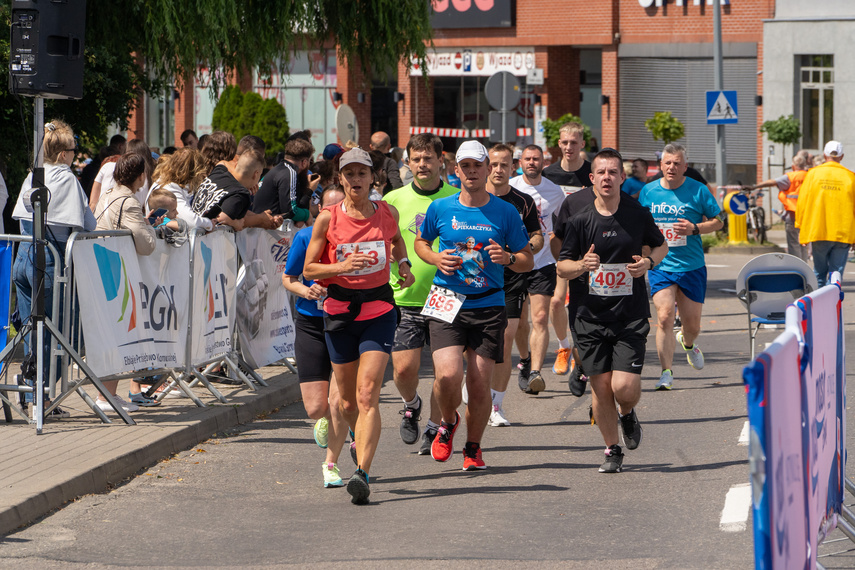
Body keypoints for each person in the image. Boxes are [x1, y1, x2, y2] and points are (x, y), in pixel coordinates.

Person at [303, 147, 414, 504]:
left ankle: (362, 473)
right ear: (340, 178)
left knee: (368, 395)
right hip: (338, 312)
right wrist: (341, 268)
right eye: (349, 174)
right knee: (348, 403)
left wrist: (404, 264)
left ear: (373, 179)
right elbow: (308, 270)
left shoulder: (387, 213)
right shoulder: (327, 218)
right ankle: (357, 435)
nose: (356, 180)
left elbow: (396, 242)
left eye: (362, 174)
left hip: (379, 308)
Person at [415, 140, 533, 471]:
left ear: (487, 169)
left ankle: (473, 446)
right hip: (446, 299)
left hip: (488, 303)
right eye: (465, 166)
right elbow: (421, 242)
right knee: (449, 375)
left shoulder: (505, 211)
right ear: (456, 170)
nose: (471, 171)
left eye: (477, 166)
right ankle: (448, 421)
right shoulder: (441, 208)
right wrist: (436, 258)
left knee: (479, 385)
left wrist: (508, 258)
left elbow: (527, 259)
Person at [557, 148, 668, 473]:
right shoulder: (579, 221)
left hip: (629, 316)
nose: (607, 177)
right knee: (601, 387)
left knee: (624, 388)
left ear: (622, 177)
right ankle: (612, 449)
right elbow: (562, 267)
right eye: (601, 172)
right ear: (592, 179)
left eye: (612, 172)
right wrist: (581, 265)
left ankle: (627, 413)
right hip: (588, 318)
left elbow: (659, 244)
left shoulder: (636, 213)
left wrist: (648, 262)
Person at [12, 120, 96, 419]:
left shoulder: (31, 177)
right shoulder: (66, 179)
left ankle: (30, 386)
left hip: (23, 259)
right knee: (56, 332)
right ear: (63, 154)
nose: (75, 156)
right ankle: (40, 396)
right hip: (49, 263)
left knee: (29, 329)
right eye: (74, 150)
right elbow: (88, 224)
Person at [382, 133, 459, 453]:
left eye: (429, 158)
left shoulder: (458, 197)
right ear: (407, 163)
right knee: (402, 369)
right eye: (416, 159)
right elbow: (382, 244)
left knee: (446, 375)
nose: (423, 164)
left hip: (448, 297)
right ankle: (411, 404)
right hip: (406, 298)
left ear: (442, 161)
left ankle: (433, 427)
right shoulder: (392, 201)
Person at [639, 144, 723, 390]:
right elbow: (640, 223)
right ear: (661, 165)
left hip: (691, 266)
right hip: (660, 264)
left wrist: (695, 228)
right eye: (667, 163)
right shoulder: (648, 191)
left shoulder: (698, 191)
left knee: (692, 325)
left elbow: (719, 221)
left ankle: (688, 343)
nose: (671, 167)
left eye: (677, 163)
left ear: (685, 166)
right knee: (664, 316)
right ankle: (666, 372)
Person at [283, 185, 351, 488]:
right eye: (328, 208)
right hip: (311, 321)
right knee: (315, 408)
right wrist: (305, 290)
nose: (333, 214)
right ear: (319, 210)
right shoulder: (304, 236)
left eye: (340, 207)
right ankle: (338, 424)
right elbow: (289, 278)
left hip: (346, 322)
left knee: (339, 402)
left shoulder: (356, 237)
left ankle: (331, 464)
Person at [93, 152, 160, 412]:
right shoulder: (129, 202)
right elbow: (146, 245)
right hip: (116, 273)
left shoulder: (108, 194)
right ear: (140, 176)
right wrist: (150, 228)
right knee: (117, 335)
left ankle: (107, 395)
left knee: (112, 335)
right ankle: (105, 397)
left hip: (103, 268)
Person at [485, 144, 542, 426]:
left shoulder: (522, 201)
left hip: (511, 279)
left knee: (504, 342)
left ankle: (496, 405)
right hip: (474, 279)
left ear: (513, 167)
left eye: (504, 165)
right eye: (493, 164)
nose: (498, 170)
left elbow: (537, 235)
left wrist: (524, 249)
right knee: (471, 344)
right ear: (486, 166)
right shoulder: (469, 198)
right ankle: (472, 385)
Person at [510, 145, 571, 394]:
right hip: (515, 262)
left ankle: (535, 371)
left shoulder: (555, 192)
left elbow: (564, 222)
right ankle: (525, 359)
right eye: (527, 159)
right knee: (519, 322)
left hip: (543, 263)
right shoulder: (511, 188)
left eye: (536, 159)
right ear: (520, 162)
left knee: (540, 318)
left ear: (544, 163)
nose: (532, 163)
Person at [796, 140, 855, 287]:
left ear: (824, 155)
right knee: (836, 275)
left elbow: (802, 202)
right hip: (843, 232)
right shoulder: (851, 177)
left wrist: (800, 227)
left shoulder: (812, 174)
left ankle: (817, 306)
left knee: (819, 273)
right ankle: (832, 306)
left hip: (819, 230)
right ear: (841, 156)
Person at [192, 143, 281, 231]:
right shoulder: (240, 194)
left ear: (235, 164)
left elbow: (233, 210)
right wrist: (236, 223)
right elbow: (223, 218)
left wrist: (260, 217)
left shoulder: (219, 171)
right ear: (256, 174)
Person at [752, 154, 809, 261]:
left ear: (793, 166)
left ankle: (797, 268)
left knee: (793, 243)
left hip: (793, 216)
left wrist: (755, 186)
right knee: (804, 243)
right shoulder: (810, 176)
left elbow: (772, 182)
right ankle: (805, 267)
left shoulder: (791, 177)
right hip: (807, 217)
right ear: (805, 165)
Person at [252, 136, 316, 224]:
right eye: (309, 161)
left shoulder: (276, 170)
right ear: (304, 162)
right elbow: (290, 211)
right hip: (266, 232)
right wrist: (307, 215)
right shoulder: (290, 172)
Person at [148, 147, 213, 231]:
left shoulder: (164, 181)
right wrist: (209, 223)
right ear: (192, 173)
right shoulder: (170, 187)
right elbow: (191, 222)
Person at [542, 122, 592, 195]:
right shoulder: (547, 174)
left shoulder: (593, 173)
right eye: (565, 142)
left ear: (582, 144)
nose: (568, 148)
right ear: (559, 143)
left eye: (573, 143)